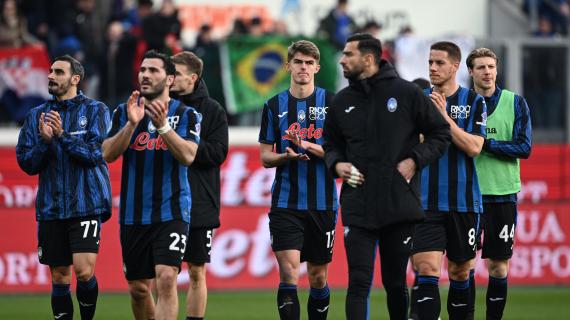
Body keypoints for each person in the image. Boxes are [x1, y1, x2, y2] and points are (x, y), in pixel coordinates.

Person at [323, 33, 450, 320]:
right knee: (358, 282)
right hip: (359, 206)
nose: (342, 60)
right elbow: (331, 145)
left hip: (398, 206)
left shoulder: (407, 93)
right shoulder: (342, 101)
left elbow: (439, 134)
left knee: (394, 284)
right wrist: (337, 165)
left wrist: (415, 160)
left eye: (348, 54)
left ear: (368, 59)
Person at [102, 50, 201, 320]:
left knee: (167, 277)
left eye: (153, 70)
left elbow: (189, 156)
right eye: (142, 70)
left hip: (172, 210)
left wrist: (163, 127)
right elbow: (108, 154)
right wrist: (131, 126)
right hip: (134, 214)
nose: (145, 74)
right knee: (138, 289)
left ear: (170, 79)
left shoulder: (187, 114)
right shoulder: (123, 112)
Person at [16, 54, 112, 320]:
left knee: (83, 271)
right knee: (59, 275)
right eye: (50, 71)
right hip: (52, 207)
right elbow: (27, 163)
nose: (50, 76)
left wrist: (61, 136)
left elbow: (95, 154)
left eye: (58, 72)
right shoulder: (36, 116)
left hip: (86, 204)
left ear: (75, 79)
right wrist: (44, 143)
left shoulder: (96, 111)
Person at [258, 40, 338, 320]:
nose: (303, 67)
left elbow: (342, 153)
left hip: (323, 202)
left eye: (308, 63)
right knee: (289, 271)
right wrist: (286, 157)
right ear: (288, 65)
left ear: (317, 67)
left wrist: (307, 145)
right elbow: (266, 157)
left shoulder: (332, 103)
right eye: (298, 62)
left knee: (317, 276)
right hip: (285, 202)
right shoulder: (272, 106)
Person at [410, 41, 487, 320]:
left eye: (439, 63)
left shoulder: (475, 101)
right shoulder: (418, 101)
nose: (432, 68)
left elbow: (474, 147)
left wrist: (443, 118)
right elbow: (411, 145)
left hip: (463, 203)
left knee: (459, 271)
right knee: (427, 268)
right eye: (430, 62)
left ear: (455, 66)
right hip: (425, 201)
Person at [467, 47, 532, 320]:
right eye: (481, 67)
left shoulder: (515, 103)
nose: (487, 72)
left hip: (503, 194)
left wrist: (486, 144)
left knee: (498, 267)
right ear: (470, 71)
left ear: (497, 69)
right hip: (467, 194)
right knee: (463, 265)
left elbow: (524, 147)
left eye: (491, 67)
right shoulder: (463, 103)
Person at [170, 51, 229, 320]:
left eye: (176, 74)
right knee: (165, 272)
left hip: (199, 201)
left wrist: (186, 146)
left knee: (196, 270)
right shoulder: (160, 106)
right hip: (165, 200)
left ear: (193, 78)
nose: (169, 79)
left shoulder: (212, 110)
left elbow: (218, 153)